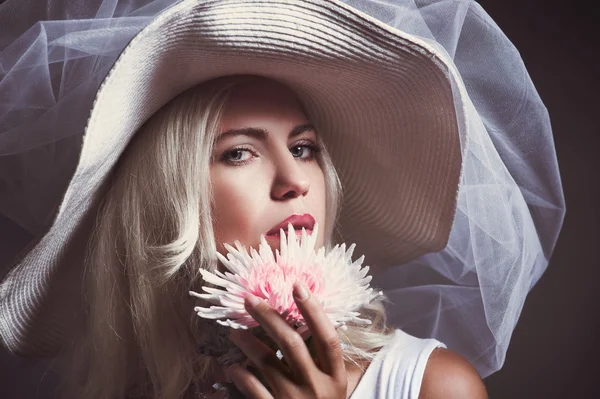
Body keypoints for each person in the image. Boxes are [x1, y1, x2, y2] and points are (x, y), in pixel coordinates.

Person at [0, 0, 565, 398]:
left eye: (305, 147)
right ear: (166, 195)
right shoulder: (129, 390)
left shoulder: (434, 387)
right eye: (240, 153)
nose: (294, 179)